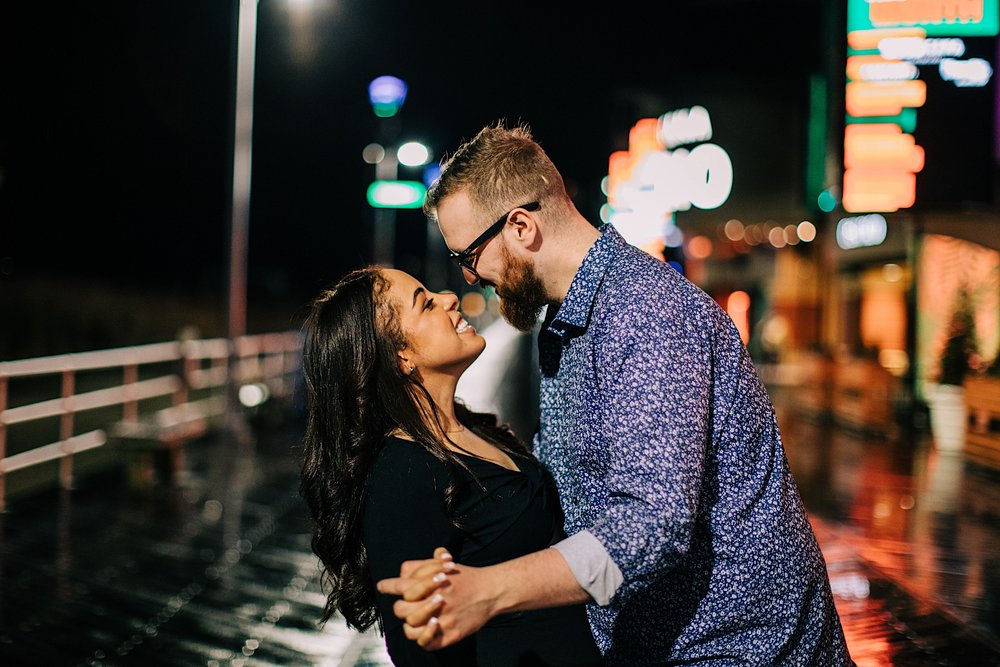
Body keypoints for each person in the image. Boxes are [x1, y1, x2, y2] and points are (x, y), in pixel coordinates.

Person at [376, 121, 854, 665]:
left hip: (742, 649)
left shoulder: (642, 311)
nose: (469, 277)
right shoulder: (566, 321)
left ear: (520, 226)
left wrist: (488, 590)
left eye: (470, 255)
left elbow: (652, 525)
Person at [298, 266, 604, 666]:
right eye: (425, 303)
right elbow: (416, 649)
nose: (449, 298)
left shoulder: (475, 427)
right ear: (400, 356)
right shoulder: (402, 476)